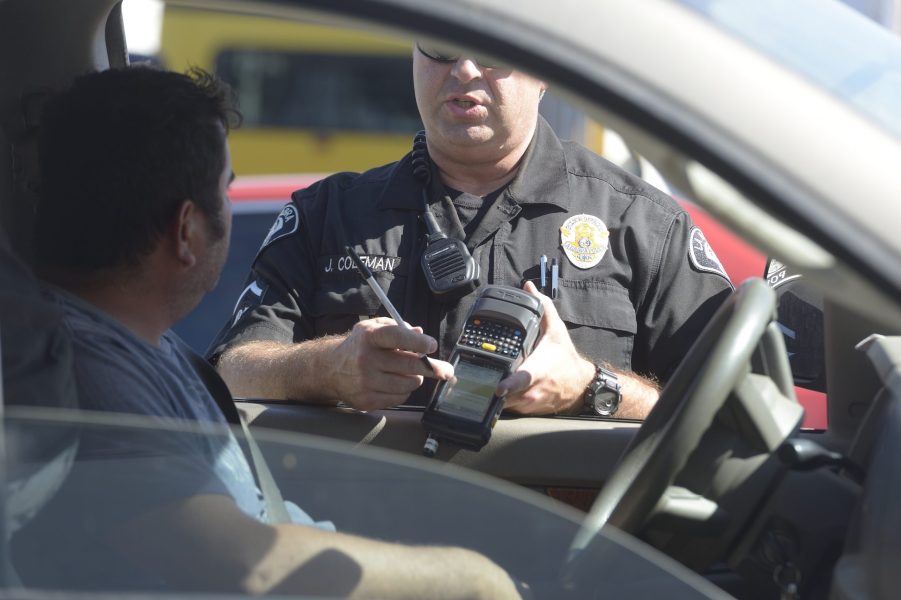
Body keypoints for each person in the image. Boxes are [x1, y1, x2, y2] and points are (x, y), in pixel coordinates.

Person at [16, 66, 521, 599]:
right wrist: (474, 581)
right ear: (187, 231)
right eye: (226, 191)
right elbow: (240, 563)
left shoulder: (129, 349)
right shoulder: (88, 377)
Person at [208, 42, 733, 419]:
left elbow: (729, 421)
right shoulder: (329, 215)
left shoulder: (640, 224)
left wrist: (592, 388)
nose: (462, 69)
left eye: (492, 49)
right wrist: (329, 368)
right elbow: (230, 373)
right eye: (440, 46)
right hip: (362, 552)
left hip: (563, 559)